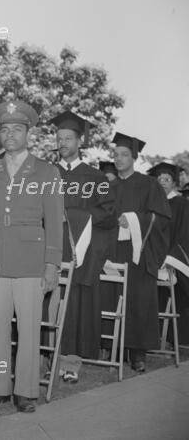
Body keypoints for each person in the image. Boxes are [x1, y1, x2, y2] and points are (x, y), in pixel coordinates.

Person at [0, 100, 63, 413]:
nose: (10, 135)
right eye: (4, 129)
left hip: (30, 260)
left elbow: (53, 221)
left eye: (17, 129)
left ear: (28, 133)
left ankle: (25, 390)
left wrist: (52, 265)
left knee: (28, 327)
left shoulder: (46, 171)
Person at [49, 112, 115, 381]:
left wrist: (72, 215)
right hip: (49, 249)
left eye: (68, 138)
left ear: (79, 141)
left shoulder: (95, 177)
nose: (62, 142)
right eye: (59, 138)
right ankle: (44, 358)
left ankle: (69, 364)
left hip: (79, 252)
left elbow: (108, 213)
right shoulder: (46, 172)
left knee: (75, 307)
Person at [107, 133, 170, 372]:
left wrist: (133, 220)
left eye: (124, 155)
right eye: (116, 154)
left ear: (134, 157)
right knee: (112, 298)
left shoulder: (149, 185)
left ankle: (138, 353)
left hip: (139, 253)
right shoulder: (109, 186)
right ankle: (113, 348)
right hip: (112, 251)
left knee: (139, 301)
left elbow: (161, 219)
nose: (119, 159)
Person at [147, 162, 189, 345]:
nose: (163, 182)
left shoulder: (182, 204)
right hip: (151, 258)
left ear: (174, 183)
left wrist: (170, 259)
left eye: (167, 179)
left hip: (171, 261)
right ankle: (152, 339)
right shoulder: (150, 203)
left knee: (175, 298)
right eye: (159, 179)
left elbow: (184, 234)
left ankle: (174, 339)